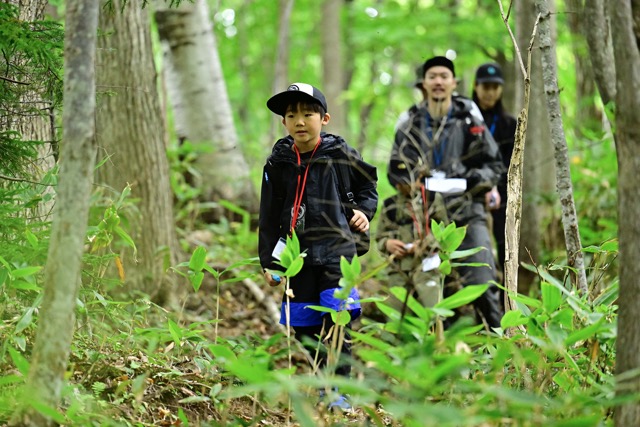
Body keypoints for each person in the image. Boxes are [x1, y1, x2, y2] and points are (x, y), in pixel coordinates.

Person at [259, 82, 378, 409]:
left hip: (338, 253)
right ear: (283, 122)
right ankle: (322, 382)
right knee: (306, 328)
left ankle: (339, 392)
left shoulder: (340, 154)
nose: (300, 121)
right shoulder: (278, 162)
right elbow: (268, 216)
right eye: (291, 114)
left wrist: (364, 213)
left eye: (308, 113)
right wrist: (270, 261)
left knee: (338, 321)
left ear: (324, 118)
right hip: (297, 258)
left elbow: (368, 185)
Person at [388, 56, 504, 329]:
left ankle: (502, 343)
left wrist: (470, 181)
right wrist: (410, 181)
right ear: (423, 84)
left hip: (467, 212)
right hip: (425, 215)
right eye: (432, 76)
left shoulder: (468, 118)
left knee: (482, 278)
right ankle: (443, 352)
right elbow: (394, 168)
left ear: (454, 83)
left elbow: (494, 165)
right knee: (435, 286)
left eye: (444, 76)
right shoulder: (410, 122)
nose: (438, 81)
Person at [376, 161, 448, 317]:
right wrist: (388, 244)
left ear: (418, 178)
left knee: (434, 315)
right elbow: (379, 237)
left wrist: (425, 244)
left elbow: (445, 233)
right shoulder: (390, 205)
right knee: (396, 316)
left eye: (407, 181)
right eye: (399, 182)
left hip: (427, 267)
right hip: (399, 270)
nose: (403, 186)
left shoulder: (432, 199)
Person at [472, 63, 517, 284]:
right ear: (476, 86)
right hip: (469, 194)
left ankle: (504, 298)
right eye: (486, 86)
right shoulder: (465, 119)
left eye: (495, 87)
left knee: (504, 247)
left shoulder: (509, 124)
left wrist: (498, 190)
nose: (490, 92)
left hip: (502, 198)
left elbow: (512, 163)